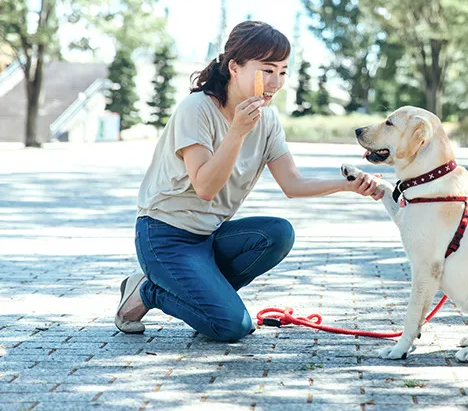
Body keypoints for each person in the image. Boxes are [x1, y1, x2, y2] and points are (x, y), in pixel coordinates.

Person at [115, 21, 383, 342]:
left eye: (283, 72)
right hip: (165, 237)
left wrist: (346, 185)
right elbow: (205, 187)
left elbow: (292, 184)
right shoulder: (197, 109)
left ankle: (200, 291)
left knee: (277, 233)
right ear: (235, 68)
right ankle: (148, 290)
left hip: (208, 237)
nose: (276, 82)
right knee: (232, 326)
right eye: (267, 70)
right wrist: (237, 132)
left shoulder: (267, 120)